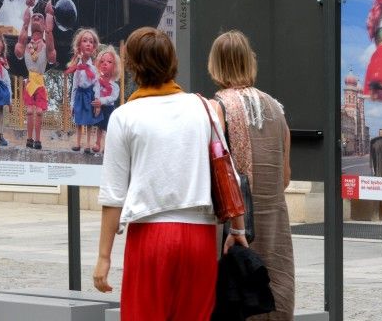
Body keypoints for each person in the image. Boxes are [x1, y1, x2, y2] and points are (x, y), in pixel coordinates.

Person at [94, 27, 248, 320]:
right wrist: (238, 231)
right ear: (171, 62)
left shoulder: (124, 116)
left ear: (133, 66)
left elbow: (113, 195)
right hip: (199, 237)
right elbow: (229, 175)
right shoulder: (203, 108)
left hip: (150, 235)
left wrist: (104, 257)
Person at [207, 30, 295, 321]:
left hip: (236, 229)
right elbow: (285, 177)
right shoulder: (276, 108)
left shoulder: (216, 108)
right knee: (275, 296)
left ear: (215, 64)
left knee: (239, 302)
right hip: (275, 224)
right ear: (250, 62)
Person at [14, 0, 56, 150]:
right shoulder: (25, 41)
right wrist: (28, 6)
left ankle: (38, 140)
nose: (37, 19)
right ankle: (29, 139)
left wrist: (49, 14)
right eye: (34, 17)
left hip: (40, 82)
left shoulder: (46, 44)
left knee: (39, 112)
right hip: (30, 81)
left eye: (40, 17)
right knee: (30, 112)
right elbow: (19, 47)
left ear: (44, 23)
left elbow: (52, 56)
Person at [65, 28, 103, 153]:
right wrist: (71, 104)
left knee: (89, 120)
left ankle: (88, 144)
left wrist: (97, 101)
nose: (88, 44)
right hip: (80, 96)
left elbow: (97, 84)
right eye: (85, 41)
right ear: (79, 45)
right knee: (79, 120)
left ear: (94, 47)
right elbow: (75, 86)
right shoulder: (77, 67)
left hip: (90, 95)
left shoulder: (94, 67)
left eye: (91, 42)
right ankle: (77, 142)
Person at [91, 45, 121, 156]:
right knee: (99, 127)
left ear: (115, 66)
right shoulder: (98, 81)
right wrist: (97, 102)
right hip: (100, 107)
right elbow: (96, 91)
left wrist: (102, 101)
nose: (105, 63)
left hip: (109, 108)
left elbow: (113, 97)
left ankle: (107, 146)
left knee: (108, 128)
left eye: (109, 62)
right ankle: (97, 143)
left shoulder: (114, 85)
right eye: (102, 61)